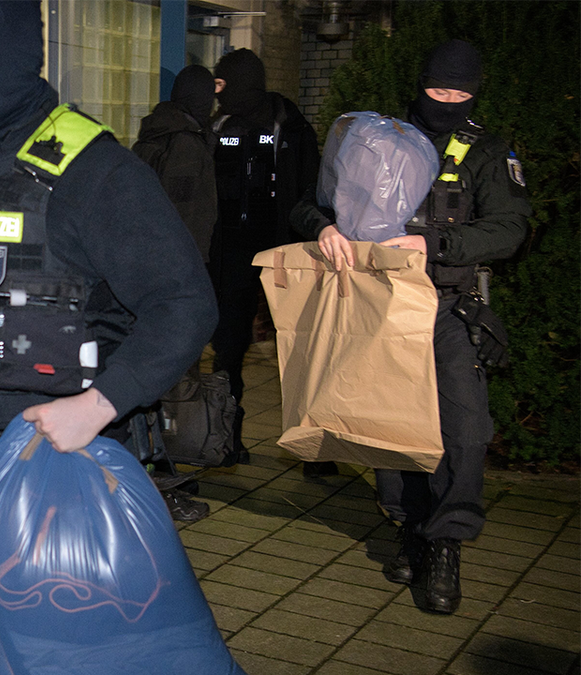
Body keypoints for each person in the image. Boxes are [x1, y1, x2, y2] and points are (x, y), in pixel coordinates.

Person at [0, 1, 217, 671]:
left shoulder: (96, 172)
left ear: (23, 47)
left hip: (57, 461)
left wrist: (100, 404)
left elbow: (185, 303)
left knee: (59, 647)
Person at [290, 39, 529, 614]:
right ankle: (409, 527)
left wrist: (435, 241)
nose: (447, 99)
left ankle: (446, 543)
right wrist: (322, 226)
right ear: (420, 83)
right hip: (378, 305)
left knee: (466, 431)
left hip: (447, 304)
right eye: (437, 88)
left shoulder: (488, 152)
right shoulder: (375, 139)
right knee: (388, 425)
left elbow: (510, 229)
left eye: (460, 91)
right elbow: (308, 201)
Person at [207, 48, 321, 467]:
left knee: (300, 348)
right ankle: (225, 440)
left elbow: (309, 189)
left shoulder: (289, 125)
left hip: (283, 253)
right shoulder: (219, 125)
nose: (216, 93)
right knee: (229, 348)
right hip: (233, 254)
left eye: (221, 84)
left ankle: (316, 449)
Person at [133, 64, 218, 263]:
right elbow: (184, 209)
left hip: (146, 250)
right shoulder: (186, 144)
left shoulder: (154, 135)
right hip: (176, 259)